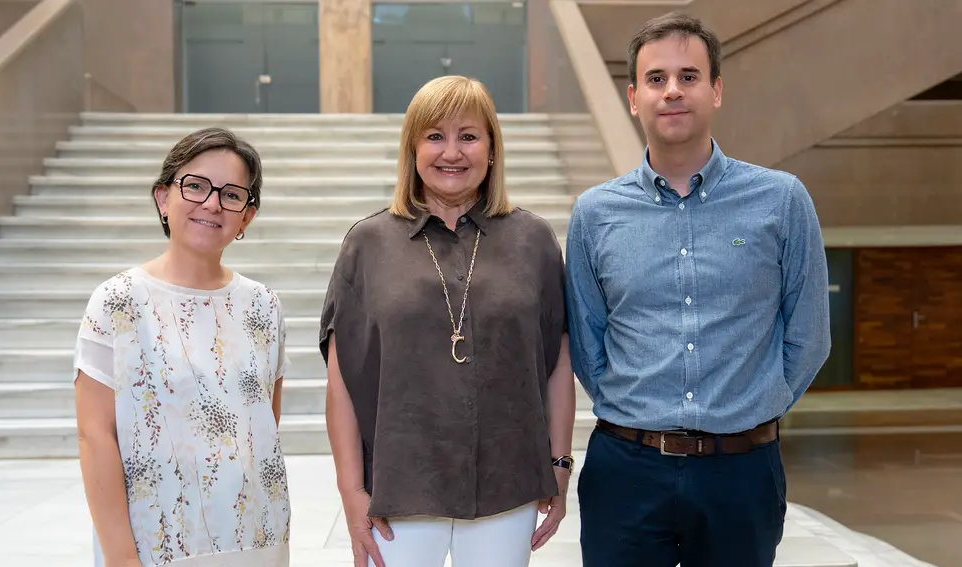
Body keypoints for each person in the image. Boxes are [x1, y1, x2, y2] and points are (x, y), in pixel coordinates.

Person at [565, 13, 831, 567]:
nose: (672, 91)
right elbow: (587, 343)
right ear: (634, 98)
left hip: (742, 472)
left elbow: (809, 335)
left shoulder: (781, 200)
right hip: (626, 471)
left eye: (688, 76)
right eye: (656, 79)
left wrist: (753, 406)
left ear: (716, 90)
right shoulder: (595, 213)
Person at [320, 75, 576, 567]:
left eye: (469, 136)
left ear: (492, 149)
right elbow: (341, 381)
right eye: (435, 136)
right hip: (399, 490)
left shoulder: (533, 240)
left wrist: (560, 464)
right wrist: (351, 492)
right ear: (412, 149)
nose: (452, 152)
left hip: (508, 484)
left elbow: (557, 362)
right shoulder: (367, 244)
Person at [74, 127, 292, 567]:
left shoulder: (264, 306)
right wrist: (122, 557)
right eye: (195, 186)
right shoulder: (117, 302)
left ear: (247, 217)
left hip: (260, 539)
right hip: (156, 548)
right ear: (163, 198)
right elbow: (95, 437)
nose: (212, 203)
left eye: (232, 195)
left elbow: (264, 424)